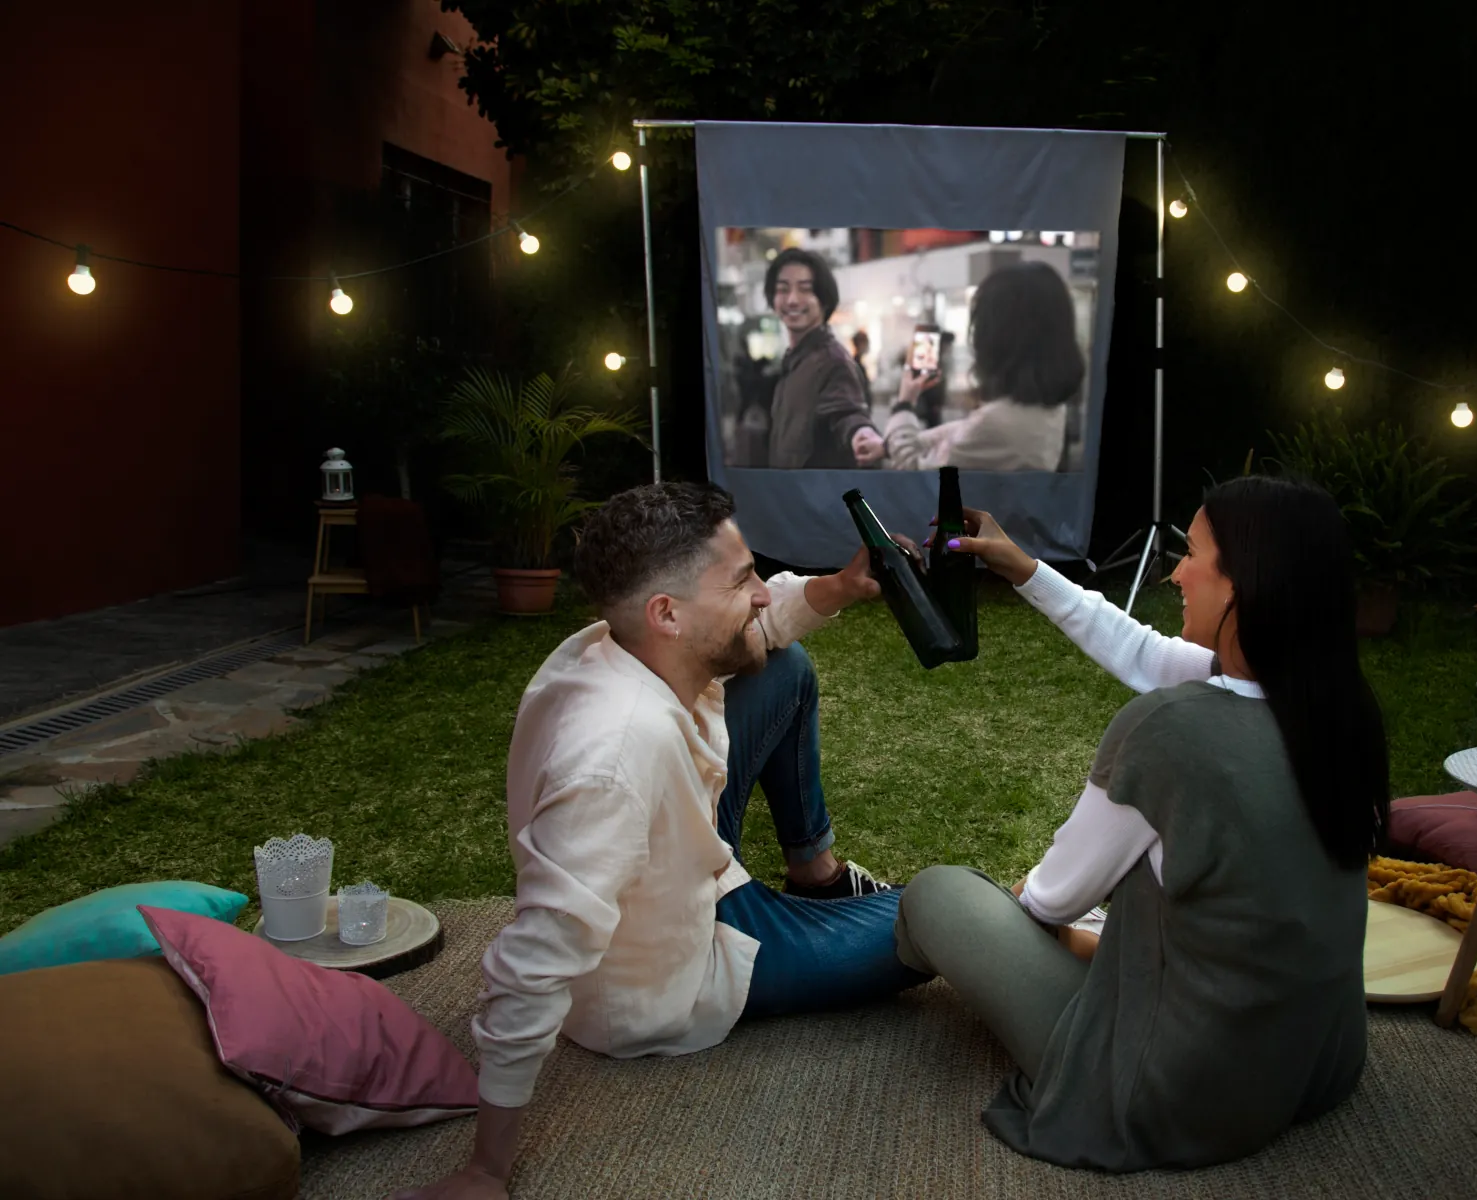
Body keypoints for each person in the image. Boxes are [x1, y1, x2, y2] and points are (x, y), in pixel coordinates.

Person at [392, 482, 930, 1200]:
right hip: (673, 969)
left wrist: (838, 585)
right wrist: (486, 1166)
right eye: (743, 580)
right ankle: (841, 918)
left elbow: (761, 634)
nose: (764, 595)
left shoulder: (627, 645)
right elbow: (535, 958)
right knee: (946, 915)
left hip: (689, 862)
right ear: (668, 612)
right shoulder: (613, 759)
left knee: (784, 668)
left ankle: (816, 875)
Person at [892, 475, 1389, 1171]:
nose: (1176, 570)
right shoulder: (1339, 710)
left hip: (1176, 1092)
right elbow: (1142, 651)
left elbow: (1047, 900)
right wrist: (1023, 567)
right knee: (1116, 921)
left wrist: (1036, 927)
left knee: (935, 897)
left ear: (1243, 584)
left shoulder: (1173, 733)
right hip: (1312, 1063)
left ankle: (870, 950)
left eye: (1192, 552)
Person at [882, 262, 1084, 471]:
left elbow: (909, 467)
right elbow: (963, 431)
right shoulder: (1051, 408)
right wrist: (893, 443)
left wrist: (904, 403)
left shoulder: (996, 423)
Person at [763, 249, 885, 469]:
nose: (792, 299)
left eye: (805, 289)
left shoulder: (832, 361)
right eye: (783, 289)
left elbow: (846, 412)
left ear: (824, 299)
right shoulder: (795, 360)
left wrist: (861, 433)